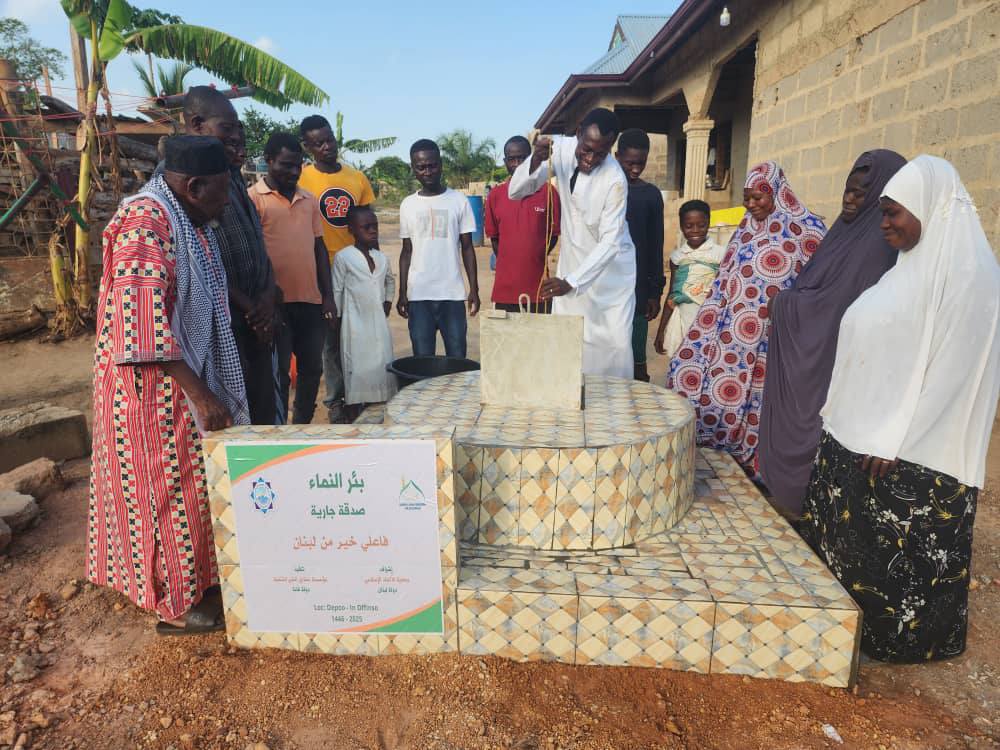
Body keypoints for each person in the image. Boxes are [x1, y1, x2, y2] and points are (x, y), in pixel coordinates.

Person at [800, 155, 1000, 663]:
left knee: (901, 566)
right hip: (863, 435)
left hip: (911, 453)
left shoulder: (970, 276)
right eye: (883, 212)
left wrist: (895, 439)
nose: (884, 223)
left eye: (894, 212)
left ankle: (903, 644)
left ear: (930, 210)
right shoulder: (914, 264)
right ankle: (851, 630)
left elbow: (955, 374)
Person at [88, 136, 248, 635]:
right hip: (152, 395)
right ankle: (175, 607)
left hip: (180, 385)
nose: (224, 205)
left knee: (192, 491)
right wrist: (201, 394)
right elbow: (139, 324)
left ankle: (198, 580)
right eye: (220, 194)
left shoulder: (188, 219)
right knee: (163, 495)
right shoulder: (146, 220)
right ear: (193, 186)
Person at [757, 150, 906, 515]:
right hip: (818, 343)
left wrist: (787, 303)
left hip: (835, 356)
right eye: (848, 190)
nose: (849, 199)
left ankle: (807, 499)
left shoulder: (877, 244)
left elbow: (837, 306)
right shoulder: (844, 232)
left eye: (860, 194)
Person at [667, 161, 826, 474]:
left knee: (760, 399)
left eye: (759, 197)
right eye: (747, 197)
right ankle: (718, 451)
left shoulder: (806, 230)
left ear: (777, 193)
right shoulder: (744, 231)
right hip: (729, 332)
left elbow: (820, 282)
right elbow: (724, 278)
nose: (752, 204)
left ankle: (756, 466)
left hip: (771, 338)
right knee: (685, 370)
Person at [509, 108, 636, 378]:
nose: (590, 159)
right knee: (569, 340)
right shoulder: (560, 149)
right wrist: (535, 160)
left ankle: (614, 411)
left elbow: (611, 243)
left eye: (600, 153)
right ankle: (568, 405)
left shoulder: (615, 181)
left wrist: (573, 281)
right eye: (586, 149)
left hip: (612, 275)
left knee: (615, 345)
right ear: (578, 133)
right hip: (572, 262)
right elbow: (516, 191)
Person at [180, 86, 277, 425]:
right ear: (197, 124)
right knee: (238, 413)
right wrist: (251, 309)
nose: (236, 136)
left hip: (257, 315)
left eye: (238, 129)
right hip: (227, 319)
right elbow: (203, 260)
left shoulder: (232, 174)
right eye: (228, 128)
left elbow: (257, 243)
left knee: (265, 408)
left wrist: (266, 297)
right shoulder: (183, 181)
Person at [249, 132, 335, 424]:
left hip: (310, 302)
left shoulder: (309, 200)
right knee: (280, 372)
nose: (293, 172)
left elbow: (319, 248)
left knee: (312, 369)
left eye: (298, 165)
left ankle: (302, 426)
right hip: (275, 305)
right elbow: (253, 256)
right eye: (286, 165)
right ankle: (279, 428)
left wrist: (328, 296)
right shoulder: (254, 199)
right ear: (269, 161)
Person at [298, 115, 377, 423]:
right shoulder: (302, 179)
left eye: (330, 139)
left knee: (358, 336)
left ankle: (360, 394)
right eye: (319, 143)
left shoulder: (357, 178)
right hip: (321, 270)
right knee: (329, 341)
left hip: (355, 270)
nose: (328, 146)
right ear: (308, 147)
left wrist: (375, 265)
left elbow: (369, 224)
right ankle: (335, 401)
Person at [397, 138, 480, 357]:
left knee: (457, 360)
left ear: (440, 164)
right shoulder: (408, 204)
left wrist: (474, 289)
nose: (427, 171)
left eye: (432, 165)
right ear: (413, 168)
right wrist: (402, 293)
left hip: (451, 295)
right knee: (422, 362)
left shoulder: (458, 200)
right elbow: (406, 251)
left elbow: (468, 248)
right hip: (419, 296)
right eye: (421, 167)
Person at [333, 206, 397, 419]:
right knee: (357, 368)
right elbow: (337, 289)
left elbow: (389, 279)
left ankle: (381, 411)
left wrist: (388, 301)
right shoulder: (344, 258)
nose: (373, 231)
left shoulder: (381, 258)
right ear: (351, 230)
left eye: (375, 226)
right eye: (366, 227)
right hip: (354, 326)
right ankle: (354, 413)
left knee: (382, 362)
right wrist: (338, 319)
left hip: (378, 323)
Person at [484, 135, 560, 312]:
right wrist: (511, 258)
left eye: (523, 158)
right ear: (505, 162)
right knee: (506, 340)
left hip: (539, 290)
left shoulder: (549, 192)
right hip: (505, 291)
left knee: (537, 339)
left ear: (533, 159)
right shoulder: (495, 195)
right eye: (512, 159)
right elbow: (495, 239)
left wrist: (533, 256)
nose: (517, 164)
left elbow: (553, 235)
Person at [615, 128, 665, 381]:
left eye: (641, 163)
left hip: (637, 288)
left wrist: (655, 292)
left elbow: (656, 245)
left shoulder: (651, 195)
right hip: (608, 287)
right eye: (630, 163)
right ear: (616, 156)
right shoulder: (607, 189)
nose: (636, 169)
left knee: (636, 360)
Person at [654, 200, 725, 359]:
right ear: (681, 226)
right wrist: (661, 331)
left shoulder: (721, 255)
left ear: (709, 224)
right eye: (688, 226)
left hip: (712, 322)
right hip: (683, 322)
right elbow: (673, 295)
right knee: (684, 366)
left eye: (701, 225)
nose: (695, 230)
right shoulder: (678, 257)